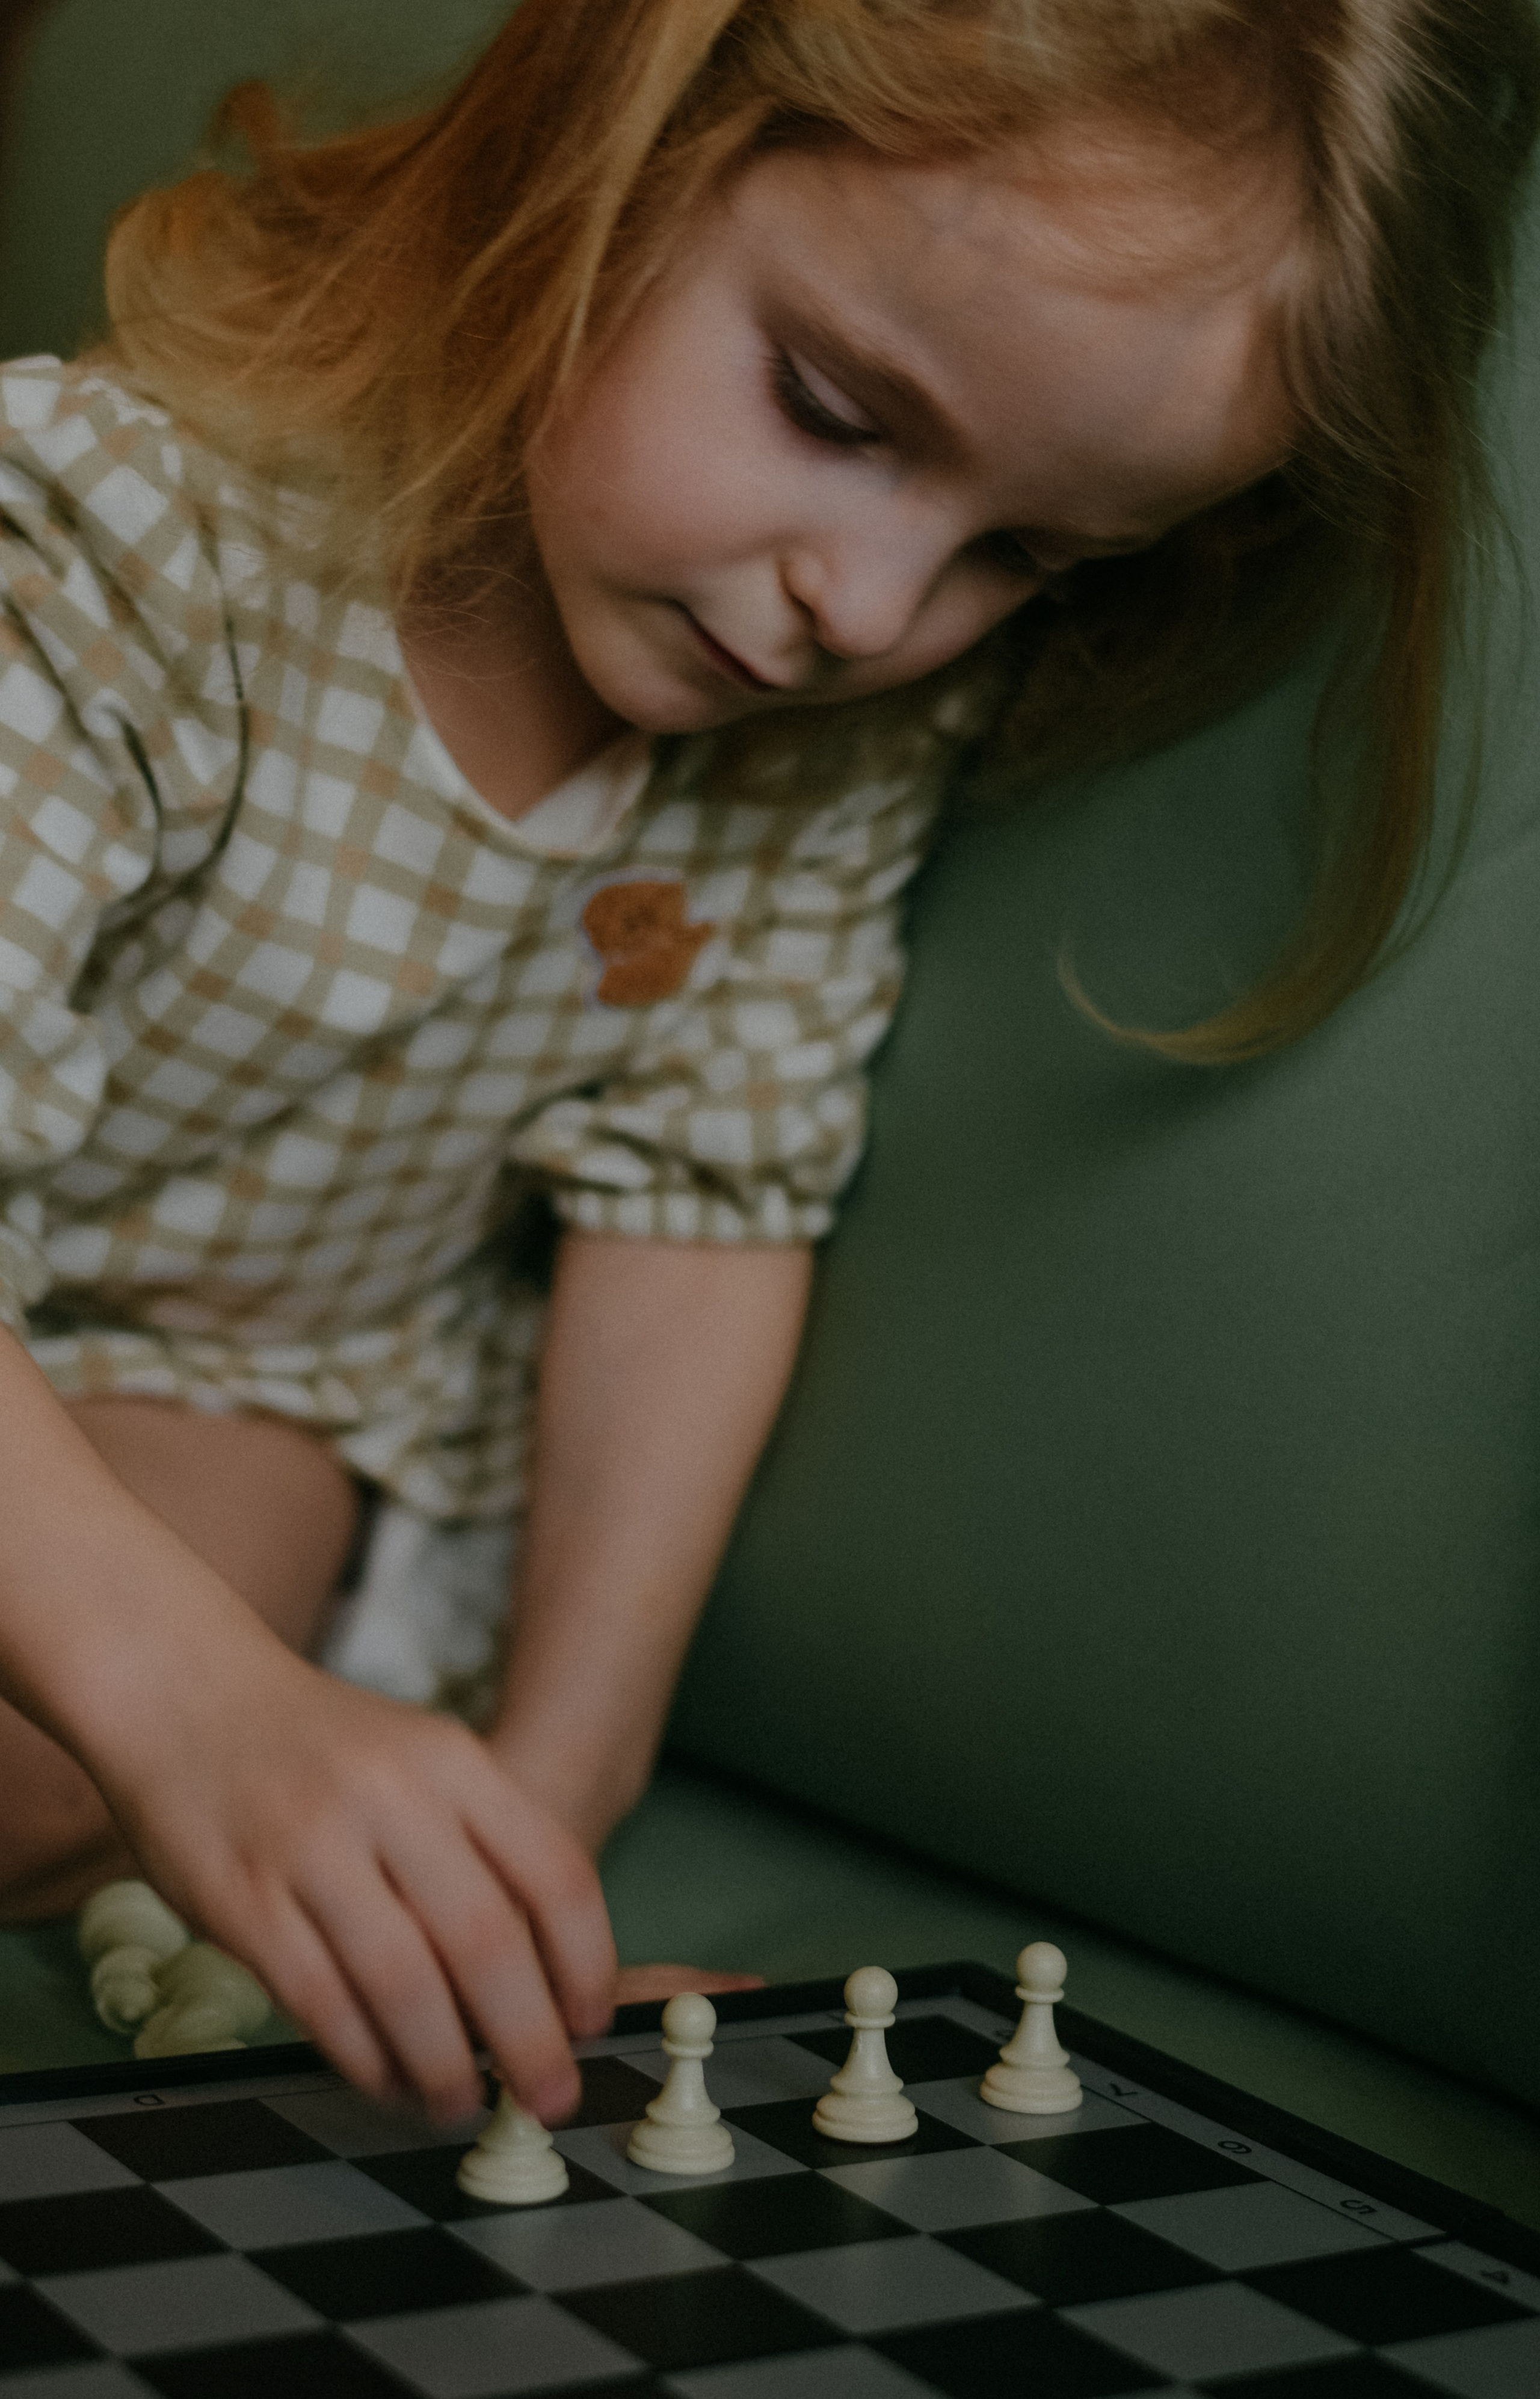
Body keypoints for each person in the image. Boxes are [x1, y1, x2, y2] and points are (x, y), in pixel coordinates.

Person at [0, 0, 1534, 2125]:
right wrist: (195, 1698)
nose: (873, 605)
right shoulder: (127, 547)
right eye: (836, 409)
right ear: (611, 136)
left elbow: (702, 1210)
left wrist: (534, 1833)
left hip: (224, 1378)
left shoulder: (831, 737)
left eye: (1029, 555)